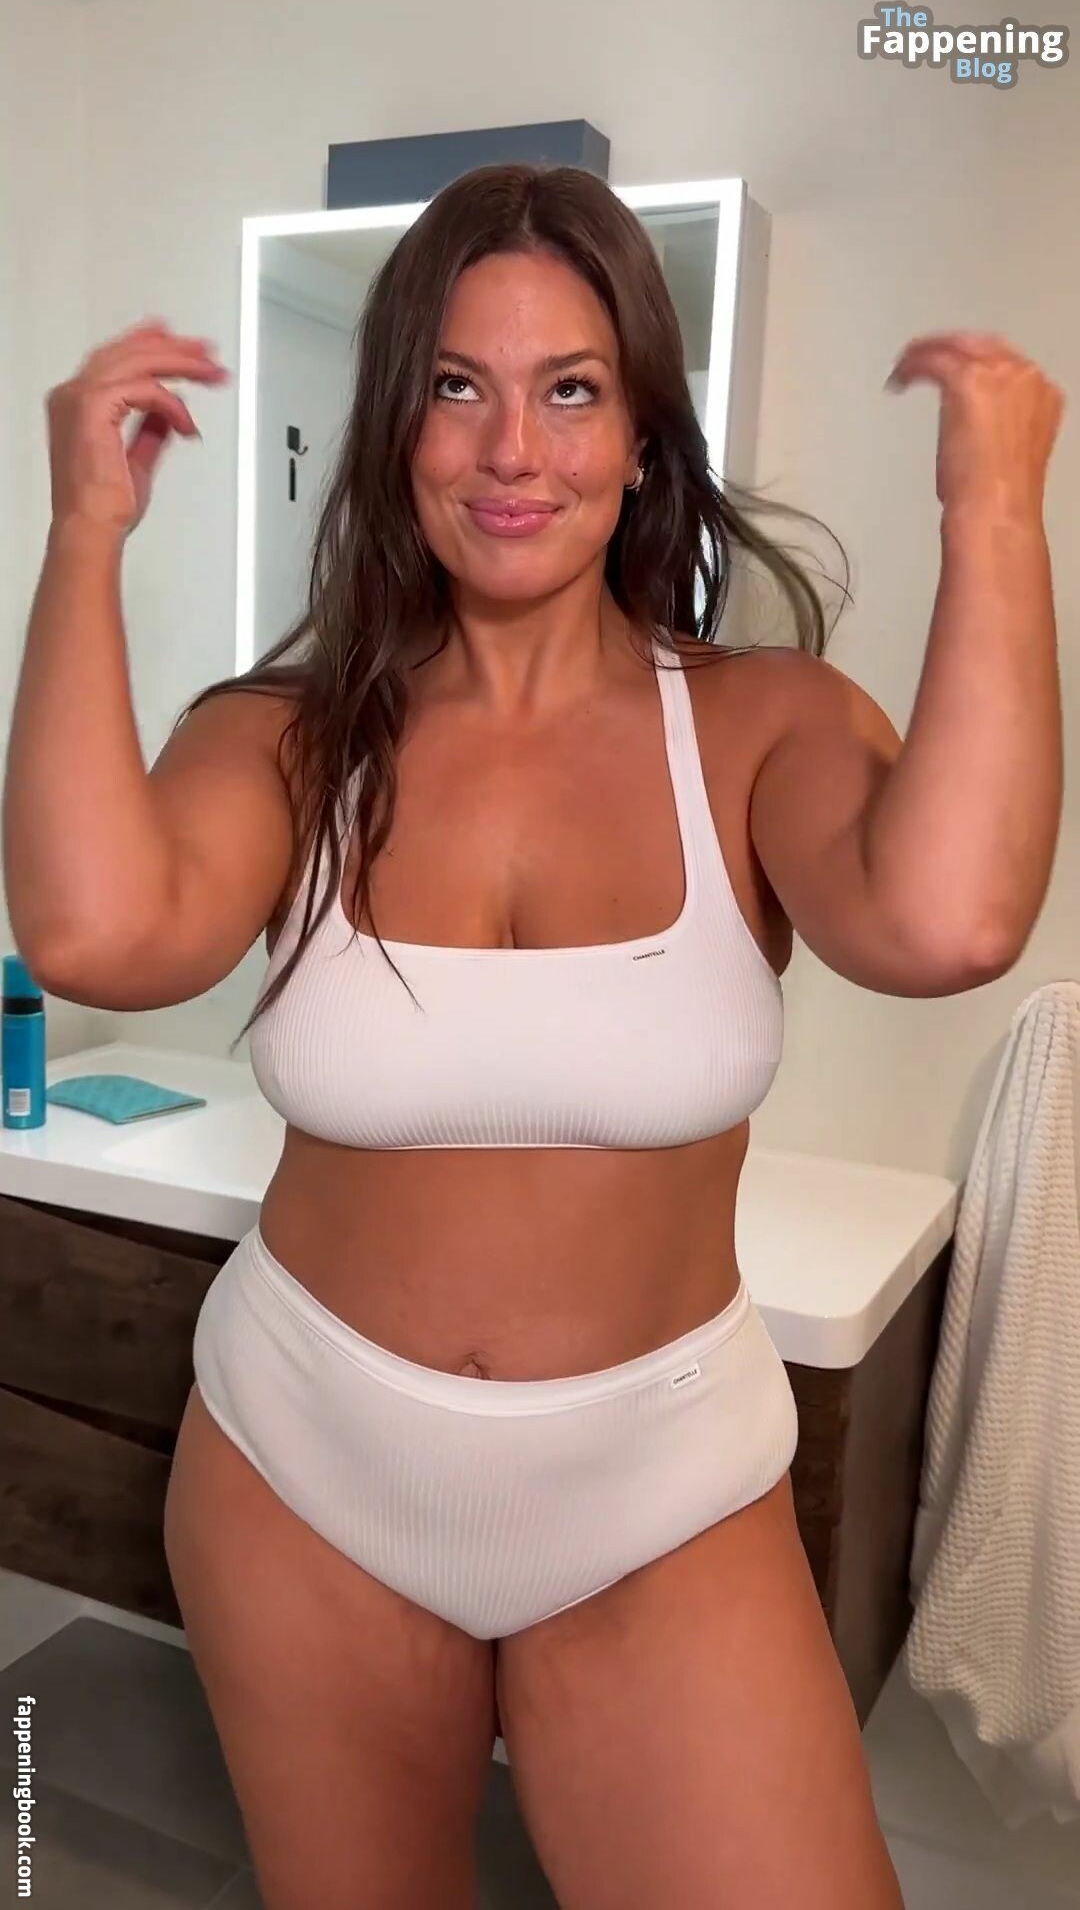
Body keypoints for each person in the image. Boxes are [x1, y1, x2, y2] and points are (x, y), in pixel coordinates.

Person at [6, 162, 1062, 1910]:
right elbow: (96, 934)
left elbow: (945, 922)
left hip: (661, 1486)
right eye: (456, 386)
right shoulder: (282, 738)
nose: (513, 450)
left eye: (570, 389)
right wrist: (83, 536)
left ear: (643, 432)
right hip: (306, 1465)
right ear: (395, 426)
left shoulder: (762, 721)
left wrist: (999, 514)